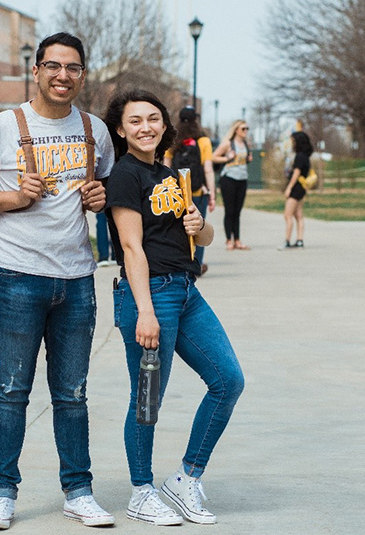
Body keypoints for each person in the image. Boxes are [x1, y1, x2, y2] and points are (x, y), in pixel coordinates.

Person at [0, 32, 116, 530]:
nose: (62, 76)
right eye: (53, 66)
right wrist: (12, 198)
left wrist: (100, 197)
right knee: (10, 390)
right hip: (15, 277)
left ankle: (78, 491)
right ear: (37, 70)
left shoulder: (96, 132)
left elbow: (111, 186)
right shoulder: (2, 127)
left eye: (72, 68)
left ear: (82, 74)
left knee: (72, 394)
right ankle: (2, 492)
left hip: (76, 281)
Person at [103, 89, 245, 526]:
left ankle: (186, 479)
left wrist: (201, 225)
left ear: (165, 126)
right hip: (150, 296)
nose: (145, 127)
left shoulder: (171, 174)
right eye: (135, 121)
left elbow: (201, 241)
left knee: (228, 381)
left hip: (186, 291)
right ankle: (141, 491)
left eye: (152, 119)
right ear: (121, 130)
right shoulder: (125, 176)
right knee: (148, 399)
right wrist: (145, 310)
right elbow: (131, 246)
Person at [163, 106, 215, 275]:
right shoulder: (203, 141)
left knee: (178, 229)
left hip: (177, 193)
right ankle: (196, 265)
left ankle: (180, 264)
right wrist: (212, 194)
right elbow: (208, 169)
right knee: (198, 227)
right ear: (195, 120)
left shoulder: (173, 139)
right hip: (198, 191)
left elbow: (166, 165)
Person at [213, 120, 254, 251]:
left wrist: (248, 158)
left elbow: (246, 159)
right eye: (243, 129)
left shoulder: (246, 144)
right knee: (229, 211)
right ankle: (228, 240)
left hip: (242, 179)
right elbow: (213, 157)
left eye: (247, 129)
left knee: (237, 211)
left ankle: (237, 240)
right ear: (236, 130)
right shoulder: (228, 144)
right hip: (229, 179)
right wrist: (227, 158)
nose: (246, 131)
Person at [279, 122, 313, 250]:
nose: (292, 143)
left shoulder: (299, 157)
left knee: (287, 215)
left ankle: (287, 240)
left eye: (293, 141)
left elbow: (296, 173)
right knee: (298, 215)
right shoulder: (306, 157)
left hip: (296, 188)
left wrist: (289, 188)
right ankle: (300, 240)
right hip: (302, 188)